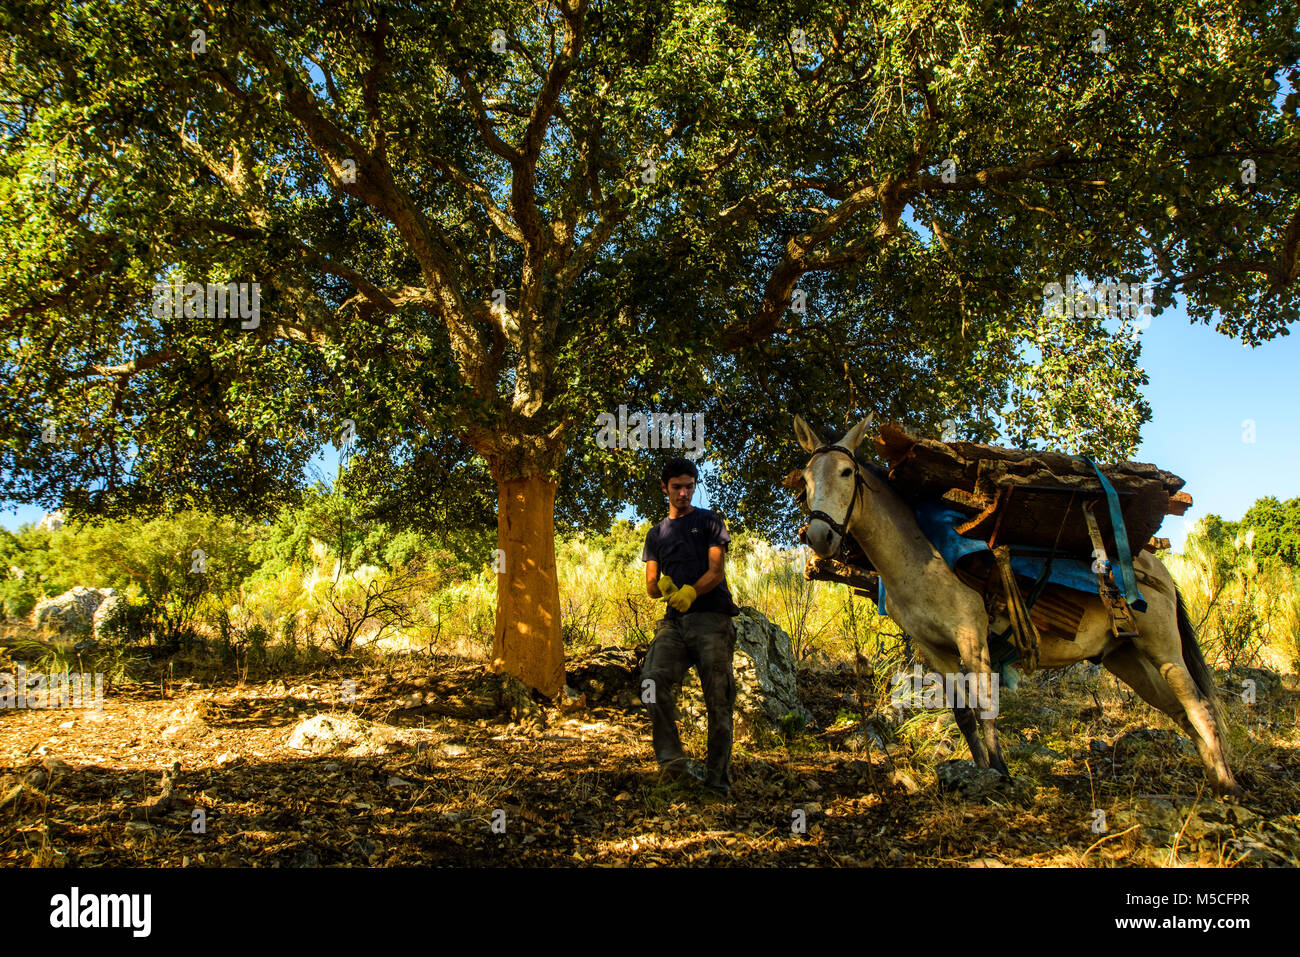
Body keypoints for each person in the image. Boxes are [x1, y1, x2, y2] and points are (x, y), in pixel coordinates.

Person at [640, 457, 741, 796]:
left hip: (712, 619)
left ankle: (718, 782)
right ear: (665, 488)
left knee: (718, 698)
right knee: (651, 681)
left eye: (689, 486)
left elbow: (716, 572)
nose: (683, 493)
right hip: (674, 623)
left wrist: (691, 591)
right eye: (676, 487)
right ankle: (673, 767)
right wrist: (665, 588)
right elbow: (651, 585)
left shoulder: (710, 521)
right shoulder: (656, 534)